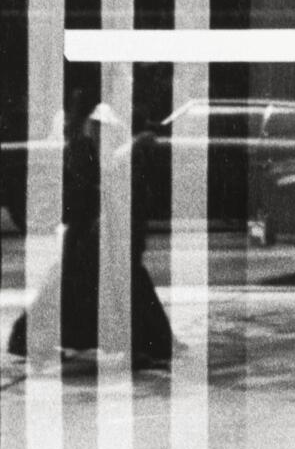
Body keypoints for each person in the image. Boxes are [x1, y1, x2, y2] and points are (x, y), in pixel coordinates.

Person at [6, 92, 175, 368]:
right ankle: (147, 345)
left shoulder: (96, 148)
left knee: (91, 288)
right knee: (98, 287)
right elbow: (86, 192)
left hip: (97, 234)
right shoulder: (87, 150)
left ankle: (148, 344)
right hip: (91, 234)